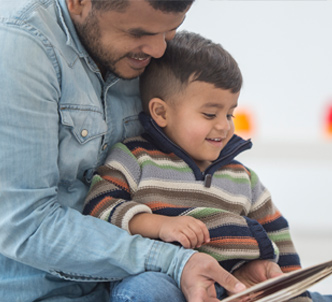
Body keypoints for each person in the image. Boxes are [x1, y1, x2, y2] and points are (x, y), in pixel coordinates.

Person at [0, 0, 248, 301]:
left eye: (171, 29)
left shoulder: (143, 50)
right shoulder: (20, 45)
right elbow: (25, 225)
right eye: (137, 33)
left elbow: (177, 176)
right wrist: (172, 261)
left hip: (135, 281)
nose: (158, 50)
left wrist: (241, 262)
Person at [80, 31, 310, 302]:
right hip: (163, 278)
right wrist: (159, 224)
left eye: (229, 113)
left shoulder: (243, 178)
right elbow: (98, 207)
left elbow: (278, 234)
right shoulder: (135, 157)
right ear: (161, 112)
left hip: (237, 285)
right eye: (210, 114)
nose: (224, 126)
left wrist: (295, 293)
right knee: (142, 292)